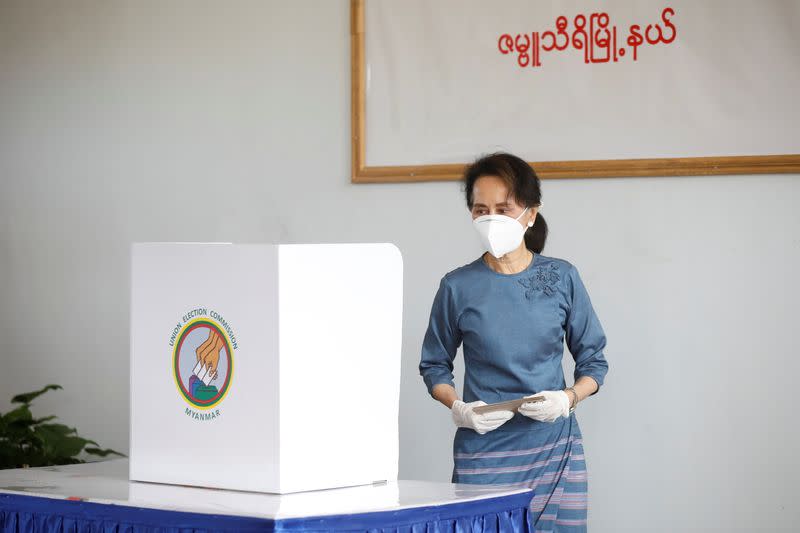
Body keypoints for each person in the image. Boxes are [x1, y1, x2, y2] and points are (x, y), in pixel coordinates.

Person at [419, 152, 609, 532]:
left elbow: (594, 362)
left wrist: (567, 398)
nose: (491, 219)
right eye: (480, 209)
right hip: (484, 454)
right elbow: (433, 365)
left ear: (530, 213)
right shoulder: (457, 287)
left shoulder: (562, 277)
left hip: (555, 450)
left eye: (504, 208)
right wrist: (459, 407)